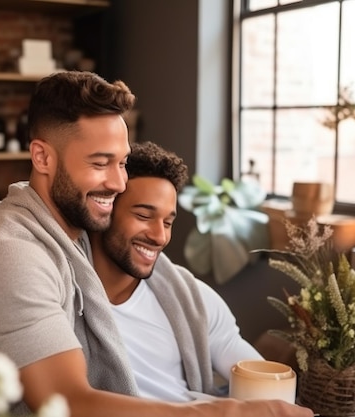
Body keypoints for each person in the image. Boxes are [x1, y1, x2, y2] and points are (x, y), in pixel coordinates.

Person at [0, 71, 313, 417]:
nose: (118, 183)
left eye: (122, 163)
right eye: (100, 164)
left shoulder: (73, 239)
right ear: (42, 157)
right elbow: (67, 404)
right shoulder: (8, 251)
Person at [86, 141, 263, 400]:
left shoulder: (194, 300)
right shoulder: (63, 298)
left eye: (168, 222)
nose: (160, 237)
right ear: (105, 211)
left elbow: (260, 379)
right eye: (144, 216)